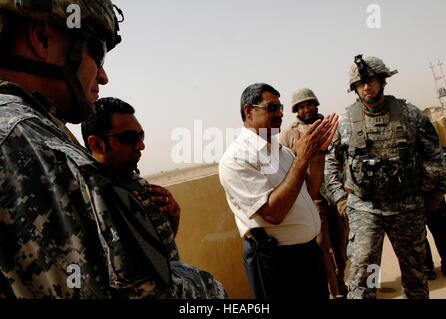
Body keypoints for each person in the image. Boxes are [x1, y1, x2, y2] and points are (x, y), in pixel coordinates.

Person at [0, 0, 208, 299]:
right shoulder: (31, 143)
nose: (102, 76)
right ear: (42, 38)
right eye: (96, 52)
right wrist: (208, 289)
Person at [324, 55, 446, 299]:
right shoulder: (346, 122)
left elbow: (435, 156)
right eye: (360, 84)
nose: (366, 87)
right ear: (355, 89)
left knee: (415, 275)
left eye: (370, 81)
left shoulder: (411, 116)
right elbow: (330, 165)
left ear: (382, 81)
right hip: (365, 209)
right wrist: (340, 200)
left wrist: (432, 193)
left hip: (407, 207)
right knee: (363, 275)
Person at [81, 97, 228, 298]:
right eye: (129, 138)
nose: (141, 146)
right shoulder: (92, 199)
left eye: (141, 135)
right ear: (97, 144)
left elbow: (157, 253)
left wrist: (173, 217)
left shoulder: (136, 183)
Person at [219, 83, 338, 299]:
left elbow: (308, 194)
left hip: (308, 255)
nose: (281, 113)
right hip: (275, 262)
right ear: (249, 111)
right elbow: (273, 213)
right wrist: (302, 159)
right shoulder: (236, 159)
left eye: (280, 107)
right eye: (272, 108)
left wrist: (319, 154)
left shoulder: (281, 153)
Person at [279, 88, 349, 298]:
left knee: (341, 242)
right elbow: (284, 164)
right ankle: (334, 289)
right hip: (313, 194)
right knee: (321, 244)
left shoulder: (331, 125)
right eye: (301, 106)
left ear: (315, 104)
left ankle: (341, 279)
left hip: (336, 192)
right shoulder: (290, 134)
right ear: (296, 110)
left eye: (309, 104)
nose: (306, 109)